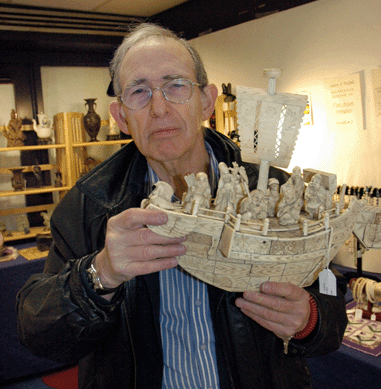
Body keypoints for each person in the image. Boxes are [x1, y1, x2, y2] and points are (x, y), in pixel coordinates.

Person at [16, 23, 348, 389]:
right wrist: (100, 274)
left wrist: (310, 319)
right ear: (121, 116)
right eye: (139, 91)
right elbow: (39, 333)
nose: (159, 108)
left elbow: (331, 298)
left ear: (207, 101)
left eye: (176, 85)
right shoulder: (89, 204)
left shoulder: (275, 191)